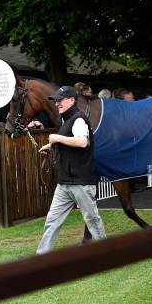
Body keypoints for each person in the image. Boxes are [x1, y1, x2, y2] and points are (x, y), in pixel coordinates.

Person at [36, 86, 106, 254]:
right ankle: (42, 257)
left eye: (60, 100)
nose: (57, 103)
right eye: (56, 100)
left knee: (92, 220)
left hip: (81, 182)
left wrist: (57, 137)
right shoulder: (66, 120)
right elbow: (69, 140)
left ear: (72, 100)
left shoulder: (79, 119)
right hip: (65, 182)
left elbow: (82, 142)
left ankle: (107, 252)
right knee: (52, 221)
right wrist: (51, 145)